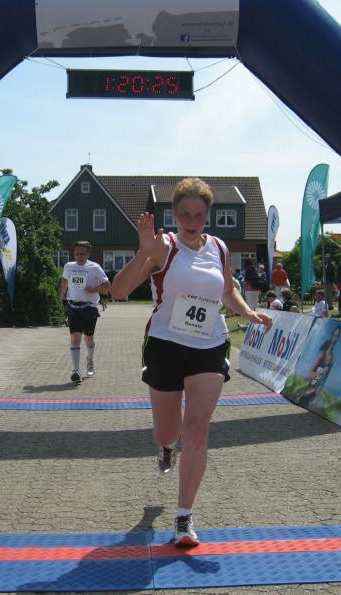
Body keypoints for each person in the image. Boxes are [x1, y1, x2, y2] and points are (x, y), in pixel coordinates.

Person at [111, 177, 272, 548]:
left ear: (208, 216)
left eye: (199, 215)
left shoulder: (218, 247)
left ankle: (184, 516)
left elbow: (227, 289)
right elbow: (118, 291)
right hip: (165, 345)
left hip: (209, 345)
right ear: (174, 214)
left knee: (197, 428)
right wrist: (142, 252)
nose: (192, 221)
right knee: (168, 431)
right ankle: (166, 447)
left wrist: (248, 312)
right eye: (185, 214)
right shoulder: (163, 246)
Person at [59, 240, 111, 384]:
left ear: (88, 254)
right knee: (75, 339)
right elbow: (64, 280)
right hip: (73, 307)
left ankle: (90, 359)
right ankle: (76, 371)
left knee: (89, 339)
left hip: (89, 308)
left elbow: (107, 285)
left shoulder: (95, 267)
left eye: (82, 254)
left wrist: (93, 289)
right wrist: (63, 292)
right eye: (77, 254)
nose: (79, 256)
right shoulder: (69, 266)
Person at [298, 325, 341, 408]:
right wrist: (321, 372)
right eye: (334, 335)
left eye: (337, 336)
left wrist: (318, 389)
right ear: (332, 335)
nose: (335, 338)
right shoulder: (323, 353)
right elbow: (311, 374)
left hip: (314, 390)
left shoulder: (332, 357)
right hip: (308, 390)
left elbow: (323, 378)